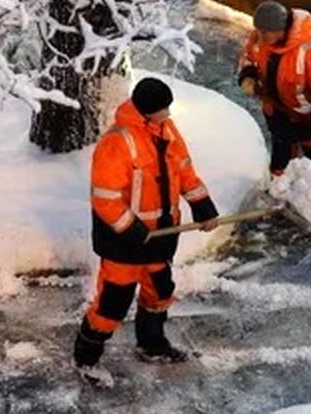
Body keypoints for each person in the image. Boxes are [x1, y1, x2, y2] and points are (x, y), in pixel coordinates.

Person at [72, 77, 220, 386]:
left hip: (162, 234)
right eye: (161, 109)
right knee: (113, 302)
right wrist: (131, 230)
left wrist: (201, 203)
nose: (167, 114)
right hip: (125, 242)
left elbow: (184, 169)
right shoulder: (117, 142)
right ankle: (86, 358)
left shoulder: (167, 130)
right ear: (145, 110)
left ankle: (151, 344)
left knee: (159, 290)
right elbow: (106, 198)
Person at [237, 0, 311, 181]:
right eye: (258, 29)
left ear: (280, 30)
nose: (258, 35)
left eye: (265, 31)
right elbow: (248, 56)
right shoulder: (259, 39)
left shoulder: (310, 55)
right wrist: (248, 75)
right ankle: (280, 186)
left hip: (307, 119)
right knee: (281, 155)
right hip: (277, 112)